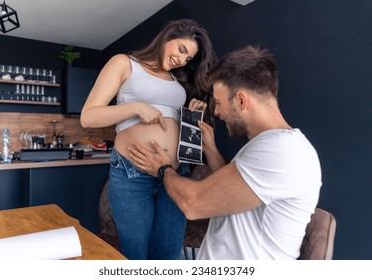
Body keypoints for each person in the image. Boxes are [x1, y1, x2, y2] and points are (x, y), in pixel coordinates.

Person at [128, 45, 322, 260]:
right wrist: (210, 148)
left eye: (218, 103)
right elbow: (233, 193)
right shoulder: (271, 145)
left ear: (241, 100)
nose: (217, 112)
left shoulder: (283, 151)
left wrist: (163, 168)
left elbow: (194, 204)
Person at [81, 19, 217, 260]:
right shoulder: (125, 63)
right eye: (181, 50)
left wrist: (191, 116)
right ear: (167, 37)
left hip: (174, 176)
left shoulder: (177, 82)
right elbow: (88, 117)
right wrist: (136, 108)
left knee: (168, 258)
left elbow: (172, 124)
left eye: (187, 59)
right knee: (138, 258)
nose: (181, 60)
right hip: (133, 175)